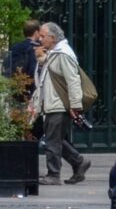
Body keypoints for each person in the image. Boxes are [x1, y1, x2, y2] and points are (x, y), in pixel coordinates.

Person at [31, 22, 92, 186]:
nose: (40, 39)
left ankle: (53, 174)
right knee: (54, 138)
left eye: (43, 36)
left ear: (52, 37)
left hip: (58, 104)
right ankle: (79, 162)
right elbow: (46, 79)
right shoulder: (55, 53)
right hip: (53, 103)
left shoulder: (63, 54)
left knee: (52, 141)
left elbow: (73, 80)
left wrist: (75, 106)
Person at [3, 19, 42, 96]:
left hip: (16, 86)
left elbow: (6, 65)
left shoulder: (16, 47)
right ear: (36, 32)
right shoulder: (36, 48)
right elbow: (33, 70)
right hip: (31, 89)